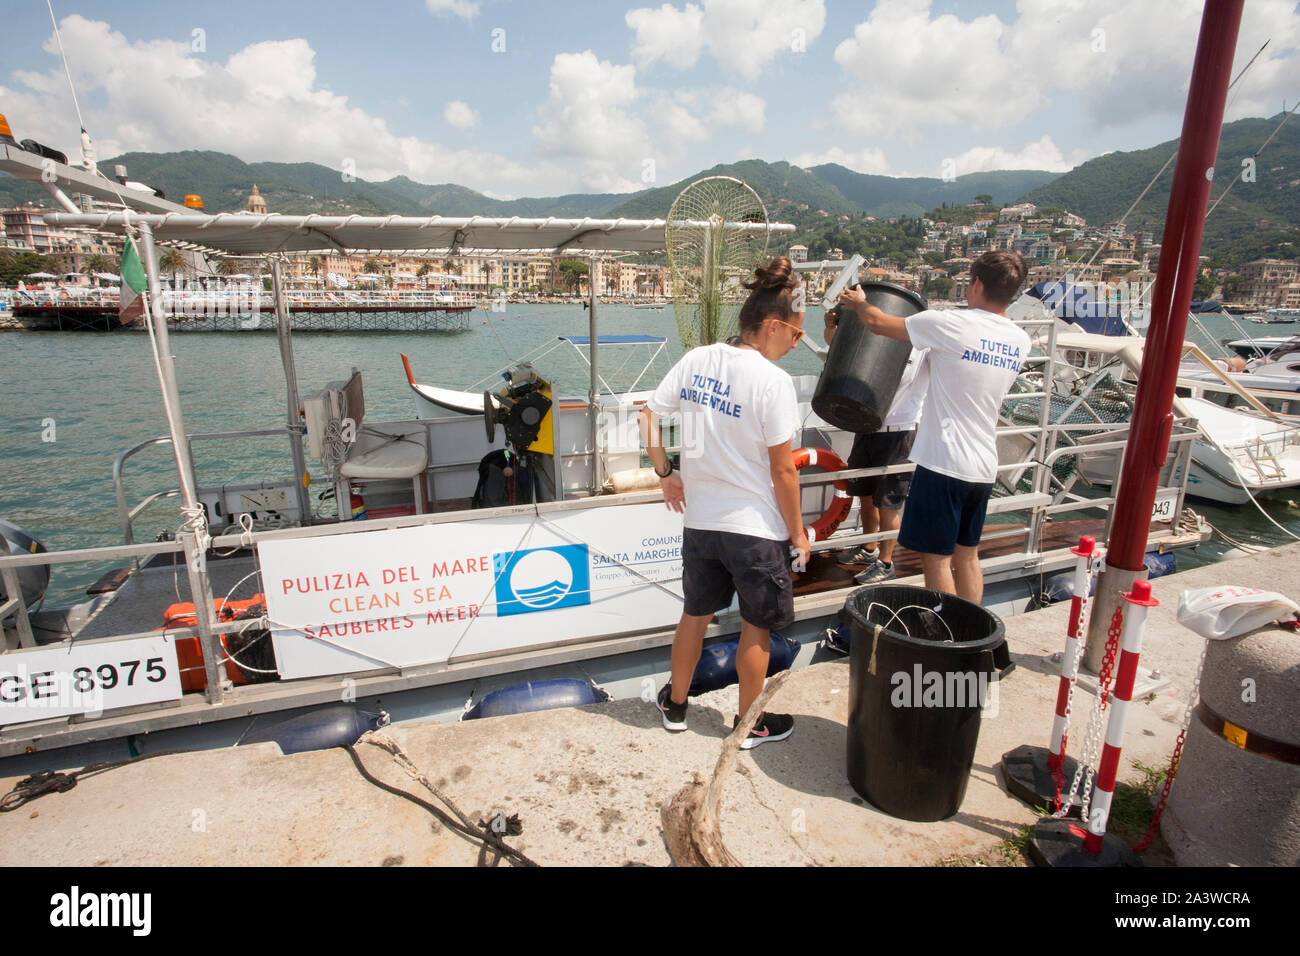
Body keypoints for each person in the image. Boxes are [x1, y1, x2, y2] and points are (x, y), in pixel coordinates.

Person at [639, 256, 810, 749]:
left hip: (702, 523)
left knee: (694, 616)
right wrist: (798, 532)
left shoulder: (697, 359)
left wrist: (667, 476)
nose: (795, 346)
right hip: (756, 529)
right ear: (774, 326)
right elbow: (783, 471)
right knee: (755, 629)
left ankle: (676, 707)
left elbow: (647, 418)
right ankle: (748, 724)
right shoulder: (773, 382)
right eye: (796, 336)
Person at [838, 250, 1031, 603]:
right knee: (967, 556)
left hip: (944, 463)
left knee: (937, 560)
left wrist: (860, 302)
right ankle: (973, 632)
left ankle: (947, 634)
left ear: (975, 284)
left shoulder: (950, 324)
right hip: (984, 467)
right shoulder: (1020, 340)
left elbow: (879, 323)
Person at [824, 301, 928, 584]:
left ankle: (886, 561)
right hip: (868, 423)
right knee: (865, 493)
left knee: (889, 501)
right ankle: (869, 547)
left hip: (899, 430)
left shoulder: (923, 347)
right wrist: (831, 326)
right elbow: (837, 352)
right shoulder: (878, 338)